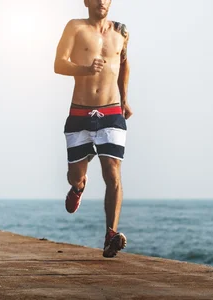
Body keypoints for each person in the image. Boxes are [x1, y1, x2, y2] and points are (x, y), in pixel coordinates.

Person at [54, 0, 133, 258]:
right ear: (86, 1)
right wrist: (85, 69)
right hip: (80, 112)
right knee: (75, 174)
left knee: (112, 174)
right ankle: (78, 187)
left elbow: (123, 64)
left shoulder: (121, 31)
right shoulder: (75, 28)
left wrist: (126, 100)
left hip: (111, 111)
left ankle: (111, 233)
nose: (101, 1)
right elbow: (59, 64)